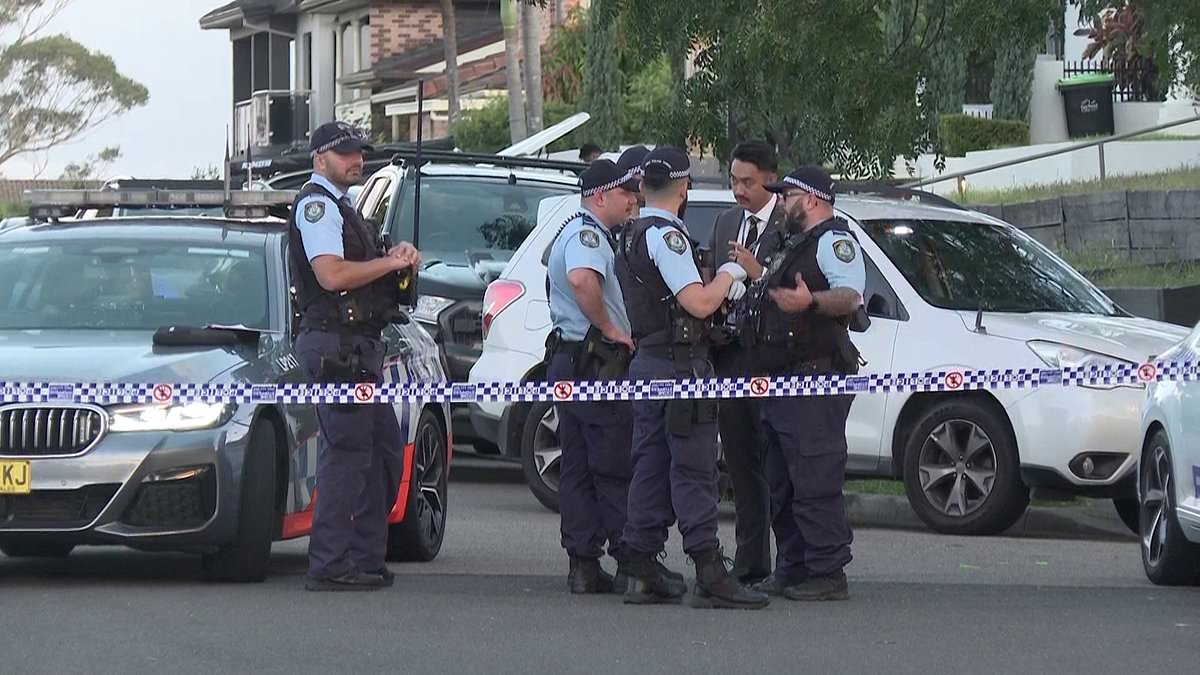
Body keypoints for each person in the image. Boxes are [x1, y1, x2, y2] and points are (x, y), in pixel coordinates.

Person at [615, 146, 769, 610]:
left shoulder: (629, 234)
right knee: (694, 469)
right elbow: (698, 303)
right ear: (684, 189)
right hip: (681, 368)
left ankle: (641, 566)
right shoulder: (667, 237)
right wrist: (729, 274)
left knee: (650, 465)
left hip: (649, 364)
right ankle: (708, 570)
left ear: (641, 188)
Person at [287, 121, 422, 592]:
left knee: (383, 450)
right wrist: (391, 263)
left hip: (356, 346)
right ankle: (329, 563)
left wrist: (394, 256)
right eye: (345, 153)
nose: (356, 159)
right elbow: (331, 275)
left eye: (359, 151)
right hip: (335, 345)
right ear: (319, 158)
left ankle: (364, 556)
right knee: (345, 456)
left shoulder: (347, 208)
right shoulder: (319, 206)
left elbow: (359, 267)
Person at [741, 166, 865, 602]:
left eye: (788, 194)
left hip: (815, 380)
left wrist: (809, 300)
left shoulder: (834, 241)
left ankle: (828, 571)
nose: (781, 202)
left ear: (811, 199)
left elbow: (850, 296)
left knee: (814, 475)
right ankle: (792, 567)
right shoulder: (792, 243)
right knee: (782, 480)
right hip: (781, 382)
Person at [544, 159, 641, 593]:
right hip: (595, 360)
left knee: (578, 465)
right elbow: (583, 280)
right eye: (625, 193)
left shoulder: (576, 230)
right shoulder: (587, 235)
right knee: (612, 461)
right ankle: (629, 561)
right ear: (601, 196)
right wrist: (611, 329)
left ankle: (583, 563)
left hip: (572, 359)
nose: (632, 200)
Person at [706, 140, 785, 585]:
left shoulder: (787, 223)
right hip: (730, 356)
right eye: (734, 181)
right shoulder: (724, 224)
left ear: (770, 179)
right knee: (740, 461)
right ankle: (751, 559)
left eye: (748, 182)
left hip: (774, 358)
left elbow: (791, 286)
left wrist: (757, 272)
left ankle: (790, 559)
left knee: (777, 459)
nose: (739, 190)